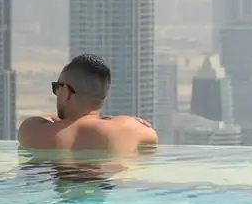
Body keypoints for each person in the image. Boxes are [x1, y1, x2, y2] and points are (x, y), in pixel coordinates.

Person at [18, 53, 158, 155]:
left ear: (66, 92)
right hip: (108, 191)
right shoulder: (129, 127)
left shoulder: (33, 130)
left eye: (57, 87)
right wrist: (125, 121)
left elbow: (53, 121)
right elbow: (152, 138)